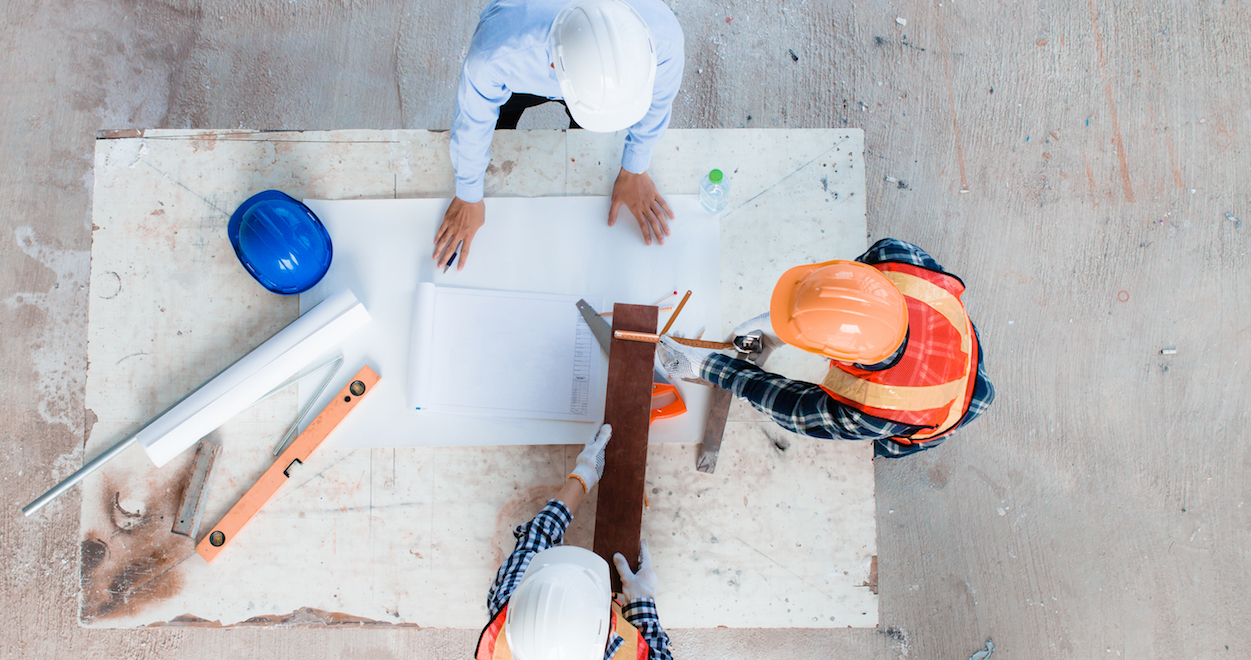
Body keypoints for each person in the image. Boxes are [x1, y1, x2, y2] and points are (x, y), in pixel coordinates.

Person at [657, 238, 996, 458]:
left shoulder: (876, 411)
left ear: (844, 358)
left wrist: (711, 368)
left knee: (890, 447)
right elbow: (843, 291)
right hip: (957, 338)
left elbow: (793, 409)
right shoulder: (895, 258)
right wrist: (792, 318)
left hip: (947, 411)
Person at [437, 0, 685, 271]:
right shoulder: (498, 52)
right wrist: (468, 195)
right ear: (556, 67)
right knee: (500, 129)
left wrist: (634, 167)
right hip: (522, 64)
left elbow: (659, 101)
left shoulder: (663, 39)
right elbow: (473, 118)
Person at [475, 424, 673, 660]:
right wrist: (642, 602)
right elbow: (658, 654)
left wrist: (584, 474)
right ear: (604, 632)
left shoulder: (511, 620)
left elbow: (536, 538)